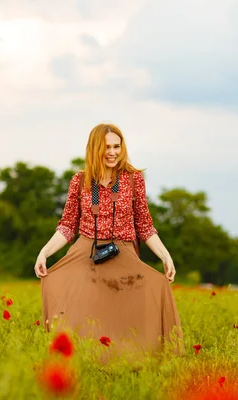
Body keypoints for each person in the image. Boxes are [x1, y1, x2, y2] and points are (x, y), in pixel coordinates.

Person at [35, 123, 184, 358]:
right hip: (86, 250)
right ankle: (81, 361)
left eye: (117, 146)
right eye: (107, 147)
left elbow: (144, 225)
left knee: (143, 300)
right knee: (72, 305)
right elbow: (67, 225)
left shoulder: (134, 179)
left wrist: (166, 256)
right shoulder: (80, 180)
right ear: (95, 149)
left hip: (122, 250)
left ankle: (135, 361)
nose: (113, 152)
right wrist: (44, 253)